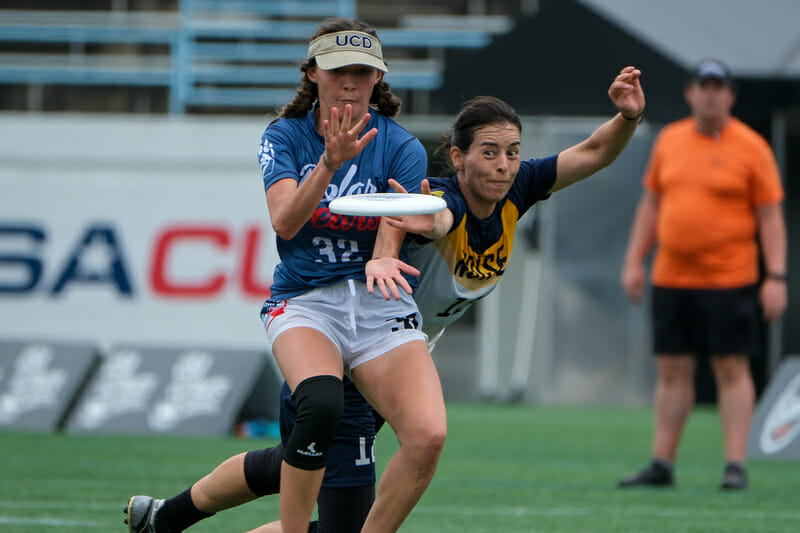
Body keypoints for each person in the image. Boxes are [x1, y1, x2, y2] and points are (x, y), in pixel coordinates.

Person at [125, 66, 645, 532]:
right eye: (489, 153)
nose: (505, 165)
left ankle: (165, 518)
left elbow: (594, 152)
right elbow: (407, 216)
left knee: (294, 459)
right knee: (323, 497)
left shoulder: (518, 187)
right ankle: (168, 518)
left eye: (512, 152)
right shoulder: (439, 199)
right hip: (360, 347)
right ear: (458, 158)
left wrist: (625, 118)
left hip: (390, 351)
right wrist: (388, 247)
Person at [618, 59, 787, 491]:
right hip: (672, 277)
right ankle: (662, 463)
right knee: (672, 368)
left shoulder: (752, 147)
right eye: (702, 86)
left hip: (730, 279)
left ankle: (735, 464)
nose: (710, 94)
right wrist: (635, 260)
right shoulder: (671, 140)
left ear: (730, 95)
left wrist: (777, 277)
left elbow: (770, 217)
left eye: (718, 86)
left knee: (731, 366)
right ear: (690, 93)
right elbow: (651, 205)